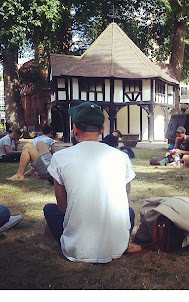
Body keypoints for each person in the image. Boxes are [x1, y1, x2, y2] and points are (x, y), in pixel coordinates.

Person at [43, 101, 135, 263]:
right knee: (130, 212)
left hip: (76, 249)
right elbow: (126, 202)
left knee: (49, 209)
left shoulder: (60, 157)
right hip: (117, 247)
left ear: (75, 128)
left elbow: (62, 207)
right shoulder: (122, 157)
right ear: (102, 129)